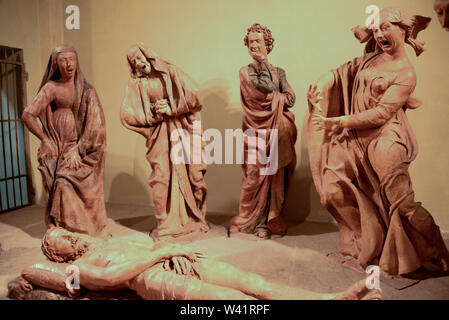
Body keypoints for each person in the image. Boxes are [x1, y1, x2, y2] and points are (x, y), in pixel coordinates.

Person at [307, 7, 449, 275]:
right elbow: (343, 73)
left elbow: (382, 113)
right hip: (354, 138)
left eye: (386, 27)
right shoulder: (372, 59)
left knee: (402, 203)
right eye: (376, 28)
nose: (379, 33)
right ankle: (365, 239)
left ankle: (438, 248)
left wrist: (340, 121)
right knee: (332, 188)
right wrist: (322, 83)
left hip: (385, 140)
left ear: (403, 30)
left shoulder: (406, 74)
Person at [17, 227, 381, 300]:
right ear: (56, 253)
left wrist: (163, 246)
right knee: (235, 304)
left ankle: (332, 300)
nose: (66, 235)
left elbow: (148, 244)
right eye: (57, 239)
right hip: (157, 279)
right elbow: (111, 278)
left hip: (180, 262)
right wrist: (159, 254)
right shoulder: (76, 268)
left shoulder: (103, 239)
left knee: (255, 282)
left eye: (64, 230)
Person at [120, 43, 209, 241]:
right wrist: (154, 114)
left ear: (148, 56)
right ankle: (165, 222)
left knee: (194, 175)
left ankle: (194, 219)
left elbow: (195, 95)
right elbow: (127, 114)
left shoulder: (171, 72)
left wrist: (172, 107)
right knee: (161, 177)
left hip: (183, 130)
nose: (139, 63)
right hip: (160, 134)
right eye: (134, 62)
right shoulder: (136, 84)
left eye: (140, 58)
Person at [21, 45, 108, 237]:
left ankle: (80, 229)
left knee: (64, 181)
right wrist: (45, 140)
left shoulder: (87, 90)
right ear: (55, 64)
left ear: (77, 62)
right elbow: (28, 115)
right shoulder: (52, 87)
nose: (68, 64)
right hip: (57, 145)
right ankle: (64, 228)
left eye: (71, 59)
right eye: (63, 60)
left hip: (82, 147)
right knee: (58, 181)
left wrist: (79, 148)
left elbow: (96, 124)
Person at [229, 23, 297, 240]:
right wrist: (278, 98)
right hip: (254, 129)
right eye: (250, 42)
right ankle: (247, 220)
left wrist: (277, 97)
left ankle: (266, 223)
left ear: (268, 45)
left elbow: (291, 98)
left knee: (272, 176)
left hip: (276, 130)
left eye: (258, 41)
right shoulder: (244, 72)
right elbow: (265, 89)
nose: (254, 45)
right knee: (252, 177)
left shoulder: (280, 72)